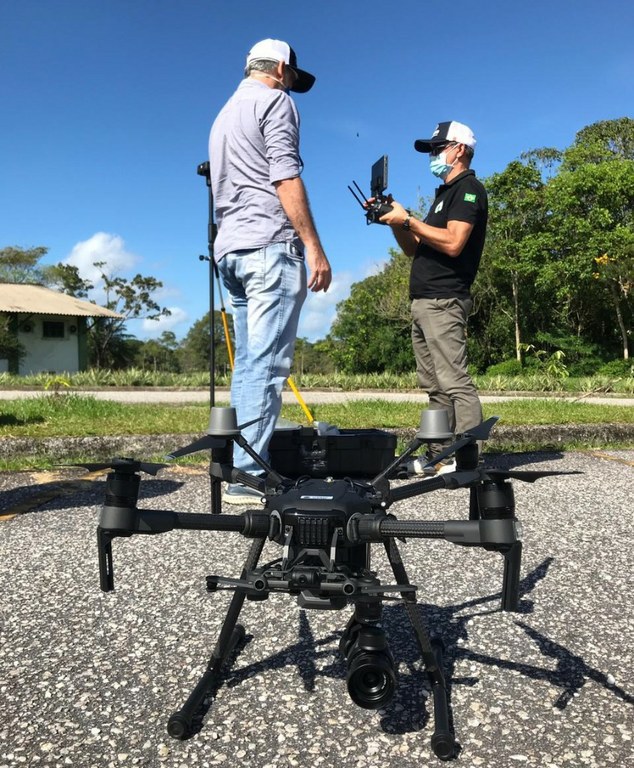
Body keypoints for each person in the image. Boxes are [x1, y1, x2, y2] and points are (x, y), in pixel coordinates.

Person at [209, 39, 332, 504]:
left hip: (231, 250)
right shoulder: (274, 100)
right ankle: (248, 474)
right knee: (268, 363)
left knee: (249, 362)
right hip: (268, 247)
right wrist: (313, 246)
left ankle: (239, 461)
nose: (292, 88)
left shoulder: (224, 114)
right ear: (281, 68)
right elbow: (284, 176)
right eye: (293, 80)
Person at [377, 121, 488, 470]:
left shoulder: (468, 190)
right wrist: (397, 221)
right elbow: (414, 248)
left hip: (445, 299)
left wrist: (408, 219)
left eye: (438, 148)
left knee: (455, 381)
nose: (433, 154)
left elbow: (454, 243)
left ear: (460, 150)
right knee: (435, 386)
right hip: (424, 302)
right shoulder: (442, 196)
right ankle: (438, 457)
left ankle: (468, 459)